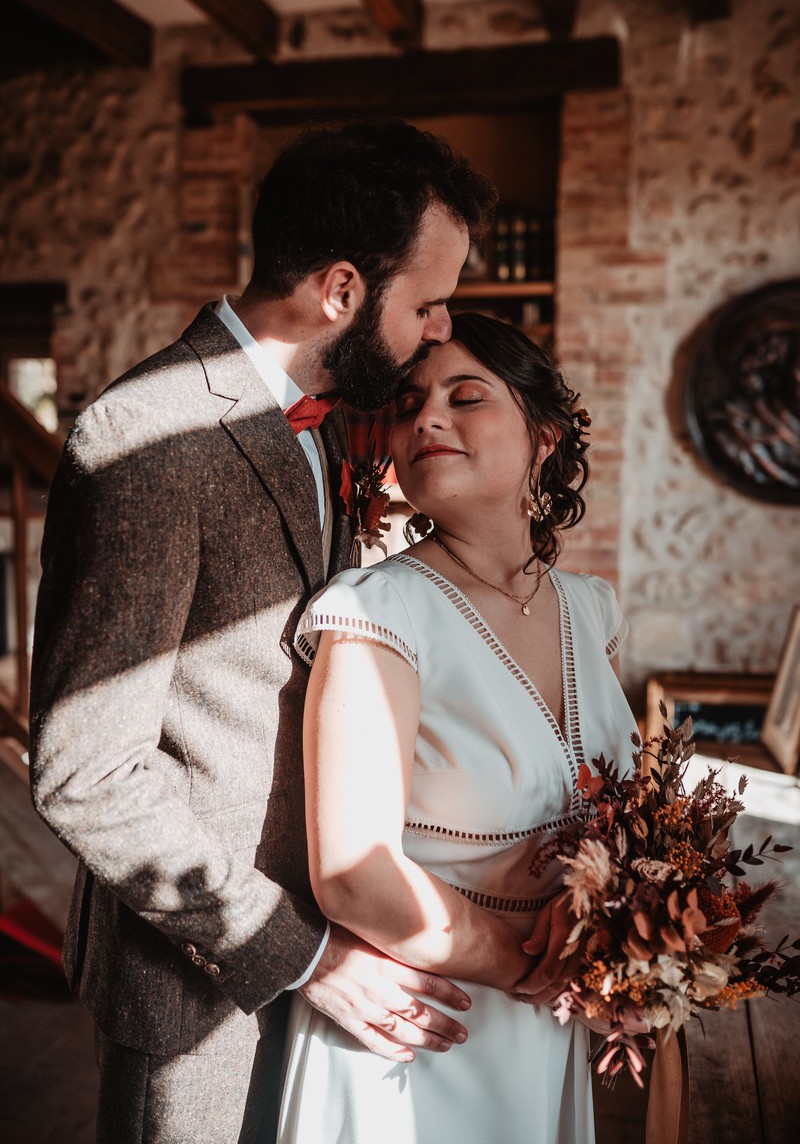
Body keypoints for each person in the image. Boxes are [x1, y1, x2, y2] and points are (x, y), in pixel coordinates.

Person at [27, 121, 497, 1144]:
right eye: (423, 302)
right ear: (338, 292)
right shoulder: (144, 439)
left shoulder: (324, 420)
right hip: (199, 974)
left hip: (336, 934)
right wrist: (297, 954)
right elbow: (84, 772)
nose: (437, 326)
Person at [280, 311, 640, 1143]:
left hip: (547, 1028)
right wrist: (538, 967)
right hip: (417, 1034)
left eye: (466, 396)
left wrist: (634, 931)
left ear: (545, 435)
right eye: (407, 405)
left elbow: (620, 816)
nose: (426, 419)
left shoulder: (592, 611)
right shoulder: (377, 614)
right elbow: (352, 878)